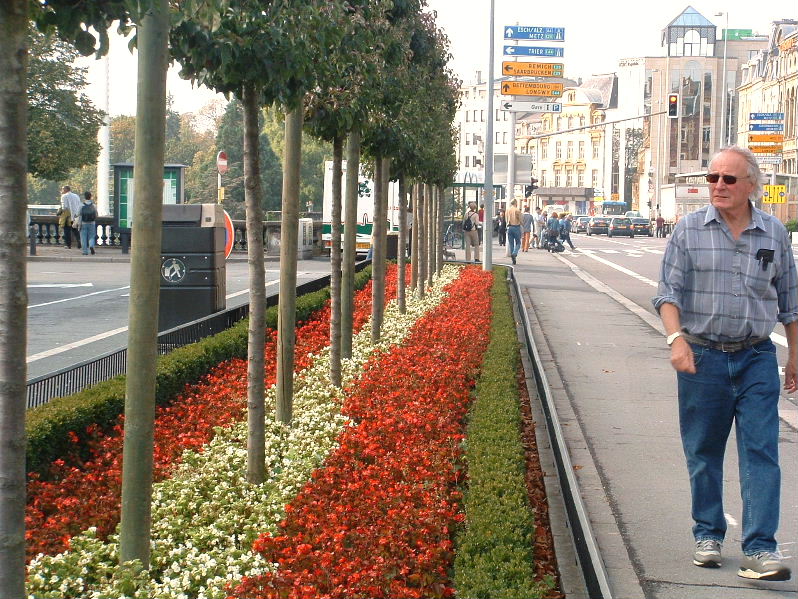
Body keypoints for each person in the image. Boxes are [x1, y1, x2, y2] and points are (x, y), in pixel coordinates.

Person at [652, 146, 797, 582]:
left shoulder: (773, 233)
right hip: (702, 358)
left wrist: (794, 357)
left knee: (761, 451)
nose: (717, 185)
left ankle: (759, 549)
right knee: (703, 453)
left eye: (728, 179)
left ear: (751, 184)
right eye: (713, 177)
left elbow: (790, 303)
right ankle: (709, 534)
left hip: (756, 357)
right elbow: (666, 292)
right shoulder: (688, 230)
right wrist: (676, 341)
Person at [58, 185, 82, 249]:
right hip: (76, 216)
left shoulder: (64, 196)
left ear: (65, 190)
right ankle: (79, 242)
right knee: (75, 230)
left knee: (67, 231)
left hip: (68, 216)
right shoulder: (76, 196)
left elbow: (64, 207)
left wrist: (59, 212)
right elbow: (79, 205)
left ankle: (68, 245)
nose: (62, 191)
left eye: (62, 189)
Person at [79, 191, 97, 255]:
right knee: (91, 236)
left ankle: (85, 251)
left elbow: (79, 214)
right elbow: (96, 214)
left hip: (83, 223)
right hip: (92, 223)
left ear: (85, 197)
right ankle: (91, 246)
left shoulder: (81, 205)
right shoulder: (94, 205)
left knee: (83, 237)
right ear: (90, 197)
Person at [505, 199, 522, 264]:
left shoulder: (507, 210)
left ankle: (513, 258)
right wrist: (522, 224)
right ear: (516, 203)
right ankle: (514, 253)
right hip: (516, 227)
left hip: (509, 227)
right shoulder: (517, 210)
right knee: (518, 243)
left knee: (511, 243)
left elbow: (506, 219)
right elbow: (520, 219)